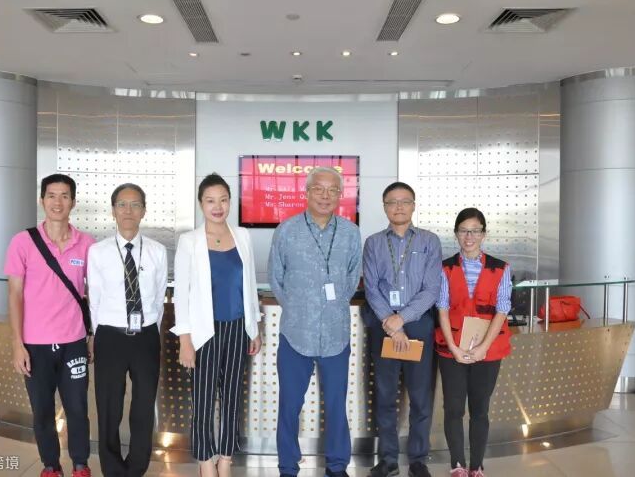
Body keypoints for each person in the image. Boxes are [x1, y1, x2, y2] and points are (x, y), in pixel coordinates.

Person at [268, 166, 362, 477]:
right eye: (318, 189)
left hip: (335, 334)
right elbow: (276, 278)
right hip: (295, 333)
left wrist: (332, 307)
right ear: (307, 192)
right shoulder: (287, 230)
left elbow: (352, 277)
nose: (325, 195)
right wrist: (299, 308)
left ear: (340, 195)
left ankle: (337, 466)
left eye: (332, 189)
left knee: (336, 404)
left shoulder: (350, 233)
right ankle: (287, 466)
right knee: (289, 405)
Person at [171, 173, 262, 477]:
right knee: (204, 398)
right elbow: (181, 293)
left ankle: (226, 457)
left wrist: (254, 327)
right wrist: (185, 340)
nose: (218, 206)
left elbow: (249, 284)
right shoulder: (190, 241)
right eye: (210, 201)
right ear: (201, 204)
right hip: (204, 332)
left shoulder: (243, 236)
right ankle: (204, 460)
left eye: (223, 200)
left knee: (233, 396)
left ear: (230, 202)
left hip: (238, 327)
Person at [5, 174, 95, 477]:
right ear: (42, 200)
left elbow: (94, 295)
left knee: (78, 409)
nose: (58, 202)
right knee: (42, 411)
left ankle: (81, 465)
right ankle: (51, 466)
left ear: (73, 202)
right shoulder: (22, 242)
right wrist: (18, 344)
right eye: (52, 195)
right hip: (35, 344)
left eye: (65, 196)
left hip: (74, 342)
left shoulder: (87, 244)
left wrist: (92, 335)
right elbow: (15, 294)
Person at [87, 183, 168, 477]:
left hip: (145, 336)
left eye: (135, 205)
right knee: (109, 406)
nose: (128, 211)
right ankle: (112, 469)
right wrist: (98, 334)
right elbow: (94, 299)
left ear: (144, 210)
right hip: (110, 335)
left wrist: (150, 329)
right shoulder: (98, 252)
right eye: (122, 204)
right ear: (113, 211)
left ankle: (135, 469)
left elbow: (159, 297)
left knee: (144, 406)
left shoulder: (157, 251)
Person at [362, 182, 442, 477]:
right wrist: (391, 322)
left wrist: (403, 318)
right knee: (385, 396)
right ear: (384, 207)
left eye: (404, 201)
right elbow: (371, 288)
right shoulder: (373, 243)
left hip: (418, 324)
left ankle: (418, 460)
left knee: (420, 396)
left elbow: (432, 288)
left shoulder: (429, 241)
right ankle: (388, 460)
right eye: (392, 202)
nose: (398, 207)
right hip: (384, 325)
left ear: (413, 205)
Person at [435, 208, 512, 477]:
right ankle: (457, 464)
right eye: (464, 231)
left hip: (488, 350)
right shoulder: (445, 268)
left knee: (480, 409)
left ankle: (476, 466)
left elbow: (502, 310)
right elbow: (442, 308)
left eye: (475, 231)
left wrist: (482, 348)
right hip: (452, 349)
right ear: (456, 234)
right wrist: (453, 348)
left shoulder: (501, 268)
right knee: (453, 408)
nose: (469, 236)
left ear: (484, 234)